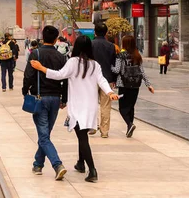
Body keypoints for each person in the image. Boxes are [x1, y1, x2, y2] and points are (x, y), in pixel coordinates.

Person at [30, 35, 119, 183]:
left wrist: (41, 68)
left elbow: (59, 75)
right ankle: (80, 163)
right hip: (90, 107)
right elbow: (102, 80)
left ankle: (92, 170)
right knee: (81, 135)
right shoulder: (94, 64)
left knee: (83, 138)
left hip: (78, 107)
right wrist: (109, 92)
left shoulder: (73, 62)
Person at [23, 26, 69, 180]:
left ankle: (57, 165)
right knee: (46, 134)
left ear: (43, 37)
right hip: (55, 99)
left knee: (43, 136)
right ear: (56, 39)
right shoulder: (61, 57)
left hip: (39, 98)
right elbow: (65, 79)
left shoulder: (35, 53)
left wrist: (24, 91)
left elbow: (28, 75)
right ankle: (38, 164)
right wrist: (64, 98)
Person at [112, 35, 155, 138]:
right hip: (136, 85)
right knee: (131, 107)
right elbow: (141, 71)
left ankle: (130, 124)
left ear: (124, 44)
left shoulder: (120, 56)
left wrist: (109, 66)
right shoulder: (137, 55)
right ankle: (129, 128)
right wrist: (148, 84)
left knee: (122, 108)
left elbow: (117, 70)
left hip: (123, 84)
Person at [91, 22, 118, 138]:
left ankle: (92, 127)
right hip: (107, 79)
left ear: (94, 32)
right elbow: (114, 64)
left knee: (91, 103)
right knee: (106, 105)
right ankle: (104, 131)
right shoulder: (111, 46)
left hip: (91, 78)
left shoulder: (90, 45)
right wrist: (114, 79)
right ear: (106, 33)